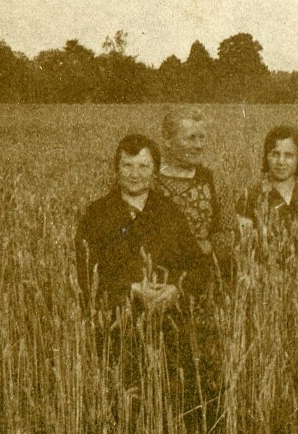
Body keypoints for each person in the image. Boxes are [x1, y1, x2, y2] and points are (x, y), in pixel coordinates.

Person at [75, 133, 210, 313]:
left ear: (155, 171)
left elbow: (198, 266)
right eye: (127, 165)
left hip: (167, 319)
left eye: (143, 166)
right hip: (115, 320)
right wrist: (132, 289)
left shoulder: (169, 212)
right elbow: (84, 273)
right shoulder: (96, 214)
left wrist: (175, 288)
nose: (135, 174)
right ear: (116, 170)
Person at [156, 107, 230, 278]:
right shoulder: (148, 180)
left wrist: (206, 248)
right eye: (190, 138)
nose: (198, 146)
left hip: (205, 275)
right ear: (167, 140)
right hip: (158, 276)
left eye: (202, 138)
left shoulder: (214, 181)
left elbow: (229, 232)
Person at [238, 125, 298, 228]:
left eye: (288, 155)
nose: (281, 162)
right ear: (266, 157)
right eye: (275, 154)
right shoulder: (250, 198)